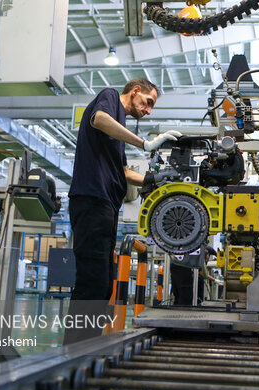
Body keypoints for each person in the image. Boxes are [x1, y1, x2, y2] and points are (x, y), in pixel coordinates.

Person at [64, 79, 181, 345]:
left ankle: (85, 348)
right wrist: (144, 144)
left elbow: (124, 172)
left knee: (103, 284)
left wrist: (158, 180)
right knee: (91, 283)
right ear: (136, 91)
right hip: (92, 199)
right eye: (148, 102)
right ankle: (74, 352)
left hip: (105, 204)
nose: (148, 110)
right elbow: (98, 119)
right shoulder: (110, 99)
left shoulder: (119, 129)